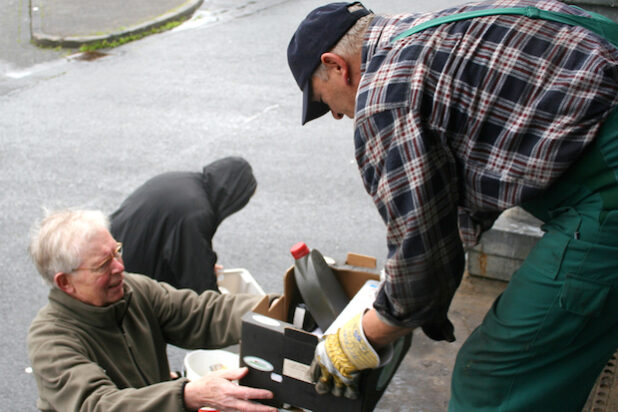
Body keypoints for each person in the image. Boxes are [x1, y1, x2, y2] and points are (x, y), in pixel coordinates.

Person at [287, 0, 618, 410]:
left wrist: (361, 339)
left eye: (324, 103)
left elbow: (421, 265)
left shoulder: (385, 96)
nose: (336, 116)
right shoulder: (439, 28)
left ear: (337, 65)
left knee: (493, 380)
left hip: (608, 191)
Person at [27, 209, 277, 412]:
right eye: (103, 265)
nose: (119, 267)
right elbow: (99, 405)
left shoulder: (134, 290)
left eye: (117, 252)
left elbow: (202, 313)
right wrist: (187, 395)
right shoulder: (51, 341)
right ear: (65, 282)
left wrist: (277, 308)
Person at [110, 156, 257, 293]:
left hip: (115, 248)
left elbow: (181, 250)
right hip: (128, 274)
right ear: (234, 198)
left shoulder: (183, 180)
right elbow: (199, 282)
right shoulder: (196, 213)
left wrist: (205, 265)